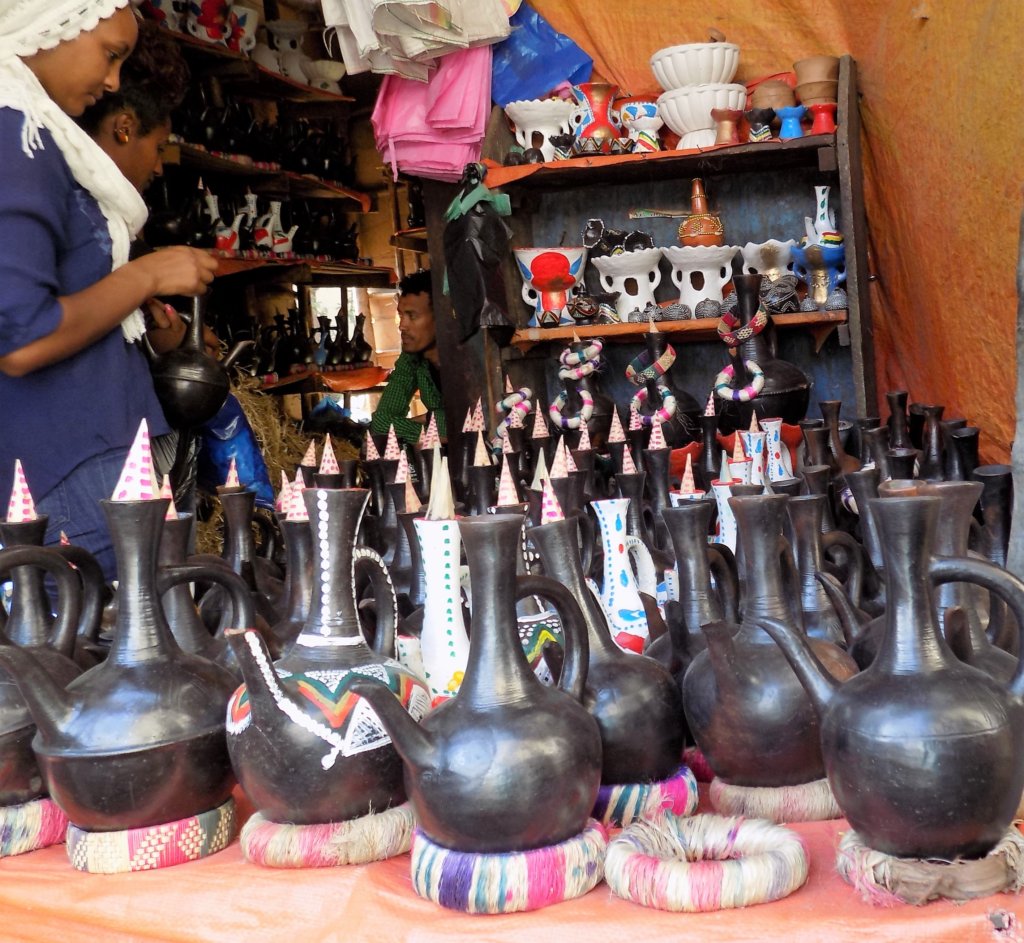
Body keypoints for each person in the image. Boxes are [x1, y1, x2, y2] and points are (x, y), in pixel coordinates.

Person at [0, 0, 219, 580]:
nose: (113, 80)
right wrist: (145, 276)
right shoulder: (17, 136)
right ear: (53, 26)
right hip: (66, 468)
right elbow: (21, 337)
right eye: (110, 54)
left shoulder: (40, 134)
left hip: (86, 460)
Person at [370, 269, 447, 444]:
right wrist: (433, 422)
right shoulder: (411, 358)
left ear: (440, 318)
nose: (402, 326)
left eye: (412, 316)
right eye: (401, 315)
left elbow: (470, 421)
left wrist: (430, 420)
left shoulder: (468, 359)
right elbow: (380, 422)